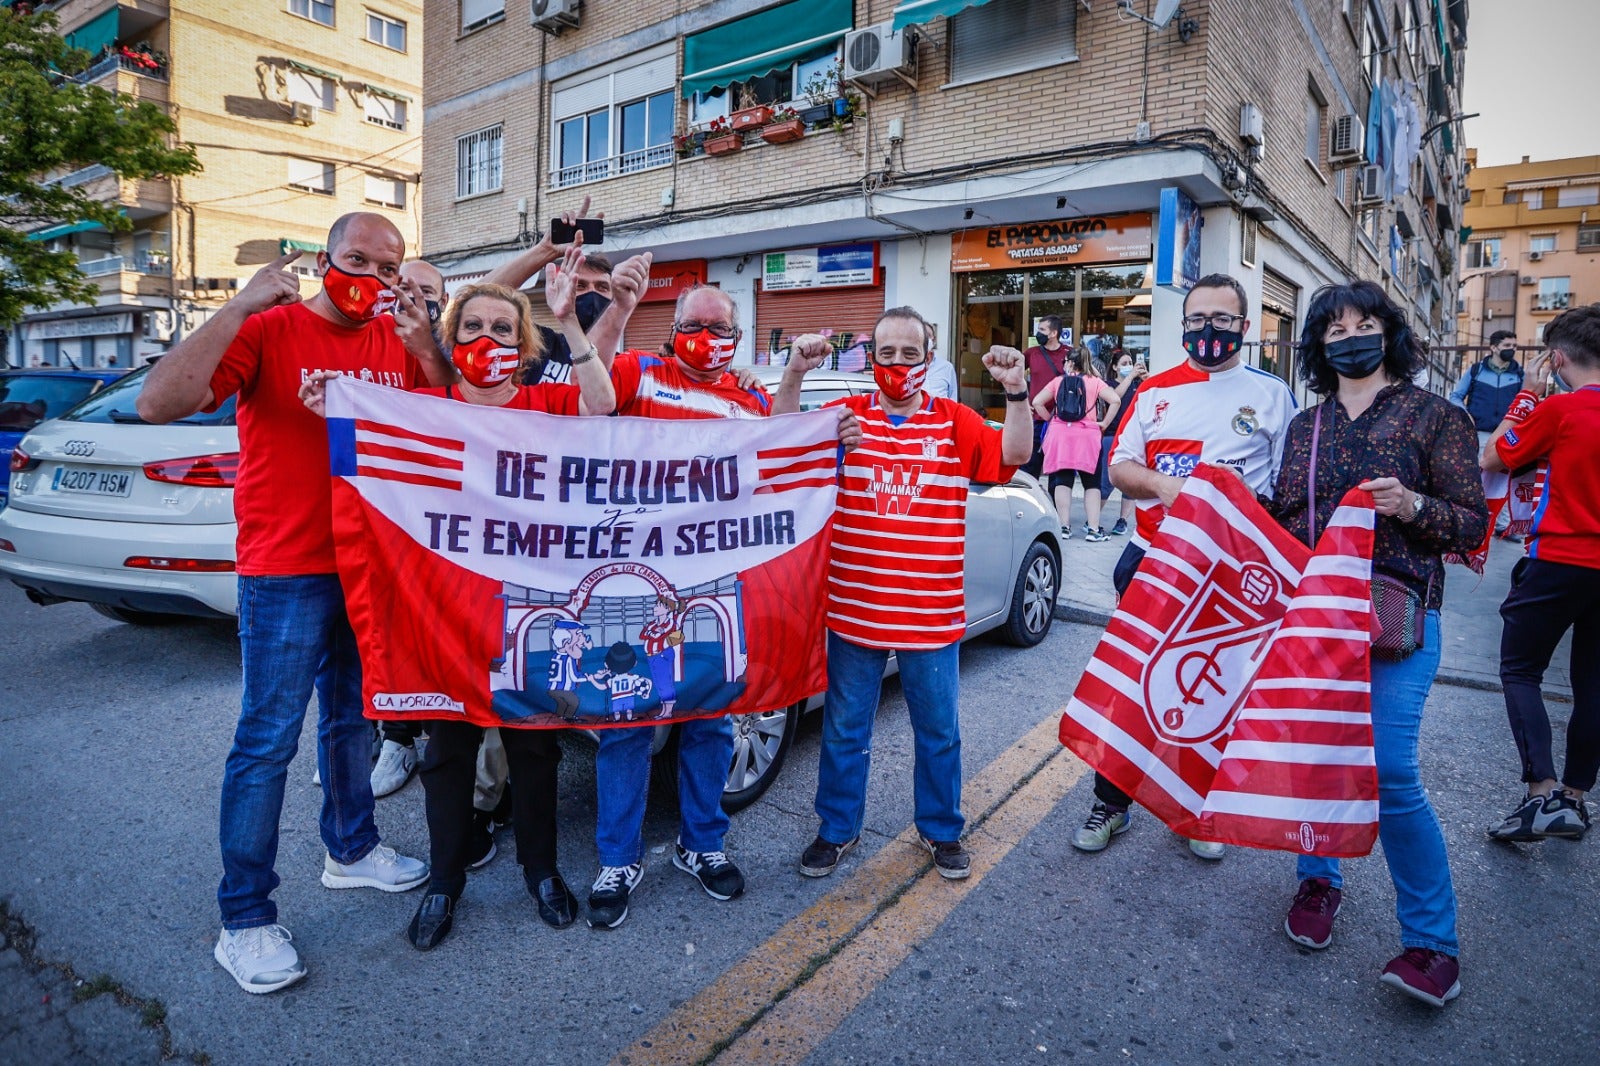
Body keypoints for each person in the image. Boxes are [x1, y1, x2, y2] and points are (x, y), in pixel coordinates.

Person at [135, 212, 451, 994]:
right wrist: (239, 305)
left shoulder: (393, 337)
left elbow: (449, 424)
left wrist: (425, 350)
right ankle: (244, 918)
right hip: (286, 565)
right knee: (267, 739)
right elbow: (158, 404)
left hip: (365, 562)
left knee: (351, 720)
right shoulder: (270, 329)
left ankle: (351, 849)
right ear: (321, 258)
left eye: (386, 267)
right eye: (355, 259)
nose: (370, 277)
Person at [579, 276, 861, 929]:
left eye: (720, 329)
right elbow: (587, 396)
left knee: (708, 721)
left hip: (712, 588)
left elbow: (783, 447)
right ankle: (617, 860)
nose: (706, 339)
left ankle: (701, 843)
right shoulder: (638, 371)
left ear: (736, 339)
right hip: (634, 586)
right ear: (672, 326)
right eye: (694, 325)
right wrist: (612, 311)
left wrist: (808, 402)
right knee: (626, 726)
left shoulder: (749, 397)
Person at [1267, 280, 1486, 1008]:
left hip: (1397, 620)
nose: (1348, 338)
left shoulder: (1436, 418)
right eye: (1333, 330)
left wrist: (1414, 504)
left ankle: (1431, 945)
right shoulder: (1307, 424)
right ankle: (1318, 880)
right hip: (1314, 622)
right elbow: (1283, 515)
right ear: (1318, 346)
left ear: (1388, 334)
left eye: (1363, 325)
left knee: (1390, 770)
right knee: (1318, 758)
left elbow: (1471, 523)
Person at [791, 307, 1032, 881]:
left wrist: (1017, 392)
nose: (897, 365)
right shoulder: (844, 419)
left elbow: (1015, 456)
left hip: (931, 612)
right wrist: (795, 376)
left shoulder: (954, 421)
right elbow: (780, 444)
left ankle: (942, 829)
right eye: (887, 353)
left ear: (929, 358)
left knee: (939, 731)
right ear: (870, 357)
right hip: (854, 611)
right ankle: (837, 829)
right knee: (846, 730)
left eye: (910, 354)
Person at [1076, 273, 1297, 861]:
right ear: (1183, 325)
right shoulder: (1154, 391)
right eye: (1198, 319)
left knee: (1211, 700)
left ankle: (1195, 812)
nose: (1208, 330)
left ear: (1245, 329)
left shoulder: (1274, 395)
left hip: (1228, 582)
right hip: (1152, 566)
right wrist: (1167, 488)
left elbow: (1288, 491)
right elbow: (1119, 467)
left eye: (1222, 320)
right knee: (1133, 691)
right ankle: (1111, 804)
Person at [1481, 305, 1600, 844]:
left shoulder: (1563, 410)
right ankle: (1575, 799)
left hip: (1560, 561)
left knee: (1521, 670)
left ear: (1557, 358)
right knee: (1593, 684)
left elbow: (1494, 457)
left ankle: (1542, 792)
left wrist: (1528, 395)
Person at [1031, 348, 1118, 541]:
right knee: (1092, 483)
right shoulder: (1094, 382)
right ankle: (1094, 530)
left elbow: (1037, 402)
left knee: (1063, 480)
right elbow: (1115, 400)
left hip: (1060, 435)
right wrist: (1104, 424)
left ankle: (1064, 527)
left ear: (1069, 362)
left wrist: (1050, 420)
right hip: (1087, 436)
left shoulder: (1058, 381)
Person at [1449, 330, 1523, 540]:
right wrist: (1466, 416)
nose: (1512, 350)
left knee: (1507, 478)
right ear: (1493, 347)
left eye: (1514, 346)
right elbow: (1456, 397)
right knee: (1477, 476)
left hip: (1509, 434)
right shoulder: (1476, 371)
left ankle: (1503, 525)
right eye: (1508, 345)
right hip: (1480, 433)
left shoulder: (1519, 374)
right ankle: (1474, 520)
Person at [1100, 350, 1146, 537]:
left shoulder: (1138, 384)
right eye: (1125, 363)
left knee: (1130, 481)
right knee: (1105, 480)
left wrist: (1145, 378)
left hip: (1134, 437)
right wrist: (1131, 377)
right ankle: (1094, 519)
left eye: (1131, 362)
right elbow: (1115, 398)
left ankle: (1123, 520)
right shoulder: (1109, 385)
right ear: (1115, 367)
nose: (1130, 366)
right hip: (1111, 435)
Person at [1022, 316, 1071, 477]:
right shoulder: (1031, 353)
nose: (1038, 333)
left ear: (1053, 333)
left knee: (1058, 474)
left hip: (1062, 420)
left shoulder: (1069, 353)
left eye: (1042, 330)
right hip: (1036, 420)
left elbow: (1088, 376)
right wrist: (1022, 399)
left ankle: (1054, 502)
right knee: (1030, 468)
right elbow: (1014, 375)